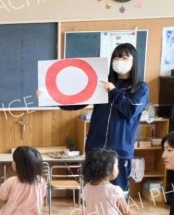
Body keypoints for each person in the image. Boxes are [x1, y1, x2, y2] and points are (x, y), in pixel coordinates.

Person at [60, 43, 149, 194]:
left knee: (118, 194)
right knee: (92, 192)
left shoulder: (140, 88)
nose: (119, 60)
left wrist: (114, 91)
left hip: (120, 150)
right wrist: (52, 98)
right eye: (116, 57)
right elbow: (78, 101)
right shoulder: (102, 82)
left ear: (134, 61)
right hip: (95, 148)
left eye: (124, 57)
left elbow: (130, 110)